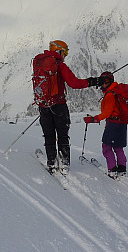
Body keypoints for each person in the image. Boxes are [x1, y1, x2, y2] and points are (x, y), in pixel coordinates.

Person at [36, 40, 101, 174]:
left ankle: (51, 162)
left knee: (49, 135)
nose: (65, 56)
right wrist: (92, 81)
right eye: (65, 52)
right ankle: (64, 163)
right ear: (59, 51)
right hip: (59, 106)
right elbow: (74, 83)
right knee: (62, 135)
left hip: (43, 106)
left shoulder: (39, 63)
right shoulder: (60, 65)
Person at [83, 71, 128, 176]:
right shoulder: (116, 92)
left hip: (113, 124)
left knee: (106, 147)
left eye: (103, 82)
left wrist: (94, 119)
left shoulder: (110, 95)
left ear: (108, 82)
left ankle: (112, 169)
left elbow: (107, 113)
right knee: (118, 147)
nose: (101, 84)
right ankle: (122, 168)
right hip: (122, 123)